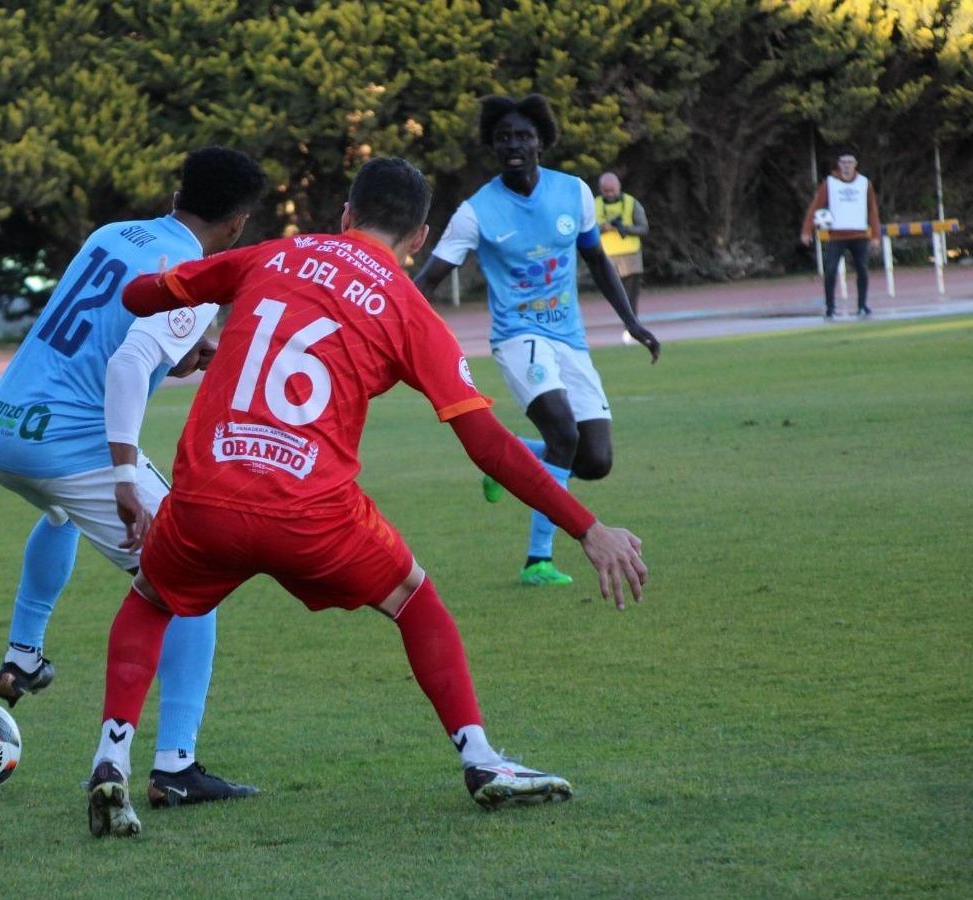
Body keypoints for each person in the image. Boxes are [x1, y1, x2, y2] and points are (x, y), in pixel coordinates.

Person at [84, 157, 649, 838]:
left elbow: (140, 297)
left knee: (151, 600)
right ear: (420, 238)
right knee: (415, 599)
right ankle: (480, 759)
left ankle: (111, 758)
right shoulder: (410, 309)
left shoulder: (274, 253)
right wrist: (587, 528)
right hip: (311, 512)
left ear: (346, 214)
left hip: (208, 496)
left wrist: (169, 289)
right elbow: (487, 444)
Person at [0, 147, 267, 806]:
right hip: (67, 443)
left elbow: (101, 330)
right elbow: (127, 367)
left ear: (178, 194)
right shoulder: (189, 275)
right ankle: (175, 766)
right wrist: (124, 472)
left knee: (60, 514)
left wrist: (183, 353)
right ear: (238, 223)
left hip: (2, 427)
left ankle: (23, 655)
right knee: (193, 577)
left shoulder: (115, 234)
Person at [412, 94, 659, 588]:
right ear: (492, 145)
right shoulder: (476, 212)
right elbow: (429, 279)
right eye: (503, 138)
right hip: (517, 337)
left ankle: (512, 459)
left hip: (569, 339)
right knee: (564, 435)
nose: (514, 145)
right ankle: (538, 560)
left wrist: (632, 322)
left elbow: (597, 260)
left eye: (523, 136)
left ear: (541, 141)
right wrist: (388, 320)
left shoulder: (573, 193)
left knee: (596, 460)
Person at [800, 145, 881, 319]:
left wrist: (875, 235)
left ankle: (862, 305)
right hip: (836, 235)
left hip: (859, 234)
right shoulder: (830, 183)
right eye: (843, 162)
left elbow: (872, 210)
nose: (846, 166)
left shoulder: (864, 183)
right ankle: (830, 307)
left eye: (850, 162)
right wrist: (807, 230)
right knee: (830, 271)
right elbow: (815, 206)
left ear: (855, 164)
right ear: (838, 164)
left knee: (862, 270)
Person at [594, 172, 650, 343]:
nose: (610, 194)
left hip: (630, 257)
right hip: (607, 257)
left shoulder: (631, 203)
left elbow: (643, 228)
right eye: (606, 191)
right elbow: (586, 229)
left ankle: (631, 329)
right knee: (616, 296)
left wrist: (624, 228)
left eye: (613, 190)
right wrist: (603, 227)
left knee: (630, 296)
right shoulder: (594, 205)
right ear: (600, 189)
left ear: (619, 187)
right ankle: (628, 325)